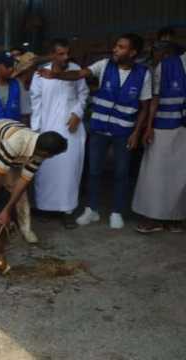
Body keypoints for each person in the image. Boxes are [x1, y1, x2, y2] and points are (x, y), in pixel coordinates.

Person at [39, 33, 152, 229]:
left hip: (123, 131)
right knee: (93, 171)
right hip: (99, 128)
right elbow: (79, 74)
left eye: (121, 47)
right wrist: (55, 75)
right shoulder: (104, 65)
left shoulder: (144, 74)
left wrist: (137, 133)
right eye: (116, 45)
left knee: (121, 172)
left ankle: (117, 211)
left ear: (133, 52)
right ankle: (91, 210)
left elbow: (145, 106)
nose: (115, 49)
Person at [0, 119, 68, 243]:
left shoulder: (40, 152)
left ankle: (26, 229)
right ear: (46, 153)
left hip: (5, 146)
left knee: (20, 193)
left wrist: (7, 210)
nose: (52, 158)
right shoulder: (16, 143)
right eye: (53, 155)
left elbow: (22, 183)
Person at [30, 38, 89, 229]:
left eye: (67, 53)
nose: (65, 57)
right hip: (47, 128)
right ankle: (44, 207)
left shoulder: (75, 70)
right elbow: (35, 101)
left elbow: (84, 95)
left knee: (70, 170)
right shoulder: (40, 74)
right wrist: (36, 130)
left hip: (71, 129)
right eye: (61, 54)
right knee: (46, 169)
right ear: (53, 54)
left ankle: (67, 211)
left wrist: (77, 114)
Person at [132, 52, 186, 233]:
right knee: (154, 174)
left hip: (183, 130)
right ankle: (151, 217)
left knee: (180, 176)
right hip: (163, 126)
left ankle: (175, 219)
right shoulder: (168, 64)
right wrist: (149, 126)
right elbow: (154, 98)